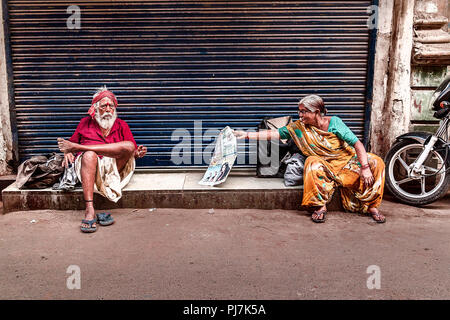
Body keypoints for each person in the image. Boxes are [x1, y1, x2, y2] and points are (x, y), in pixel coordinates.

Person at [233, 95, 386, 223]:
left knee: (376, 161)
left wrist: (365, 168)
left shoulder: (334, 123)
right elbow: (274, 134)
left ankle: (372, 205)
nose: (300, 115)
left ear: (316, 112)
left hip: (347, 163)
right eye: (299, 111)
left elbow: (357, 144)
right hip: (325, 166)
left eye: (304, 112)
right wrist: (246, 135)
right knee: (311, 162)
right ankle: (319, 206)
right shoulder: (298, 127)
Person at [57, 86, 147, 233]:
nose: (107, 109)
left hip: (113, 167)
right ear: (96, 108)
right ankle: (89, 209)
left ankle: (88, 149)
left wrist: (138, 153)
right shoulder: (84, 123)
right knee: (89, 155)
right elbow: (70, 147)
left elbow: (131, 150)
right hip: (89, 166)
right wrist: (69, 152)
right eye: (103, 106)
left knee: (129, 145)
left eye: (111, 106)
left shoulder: (121, 125)